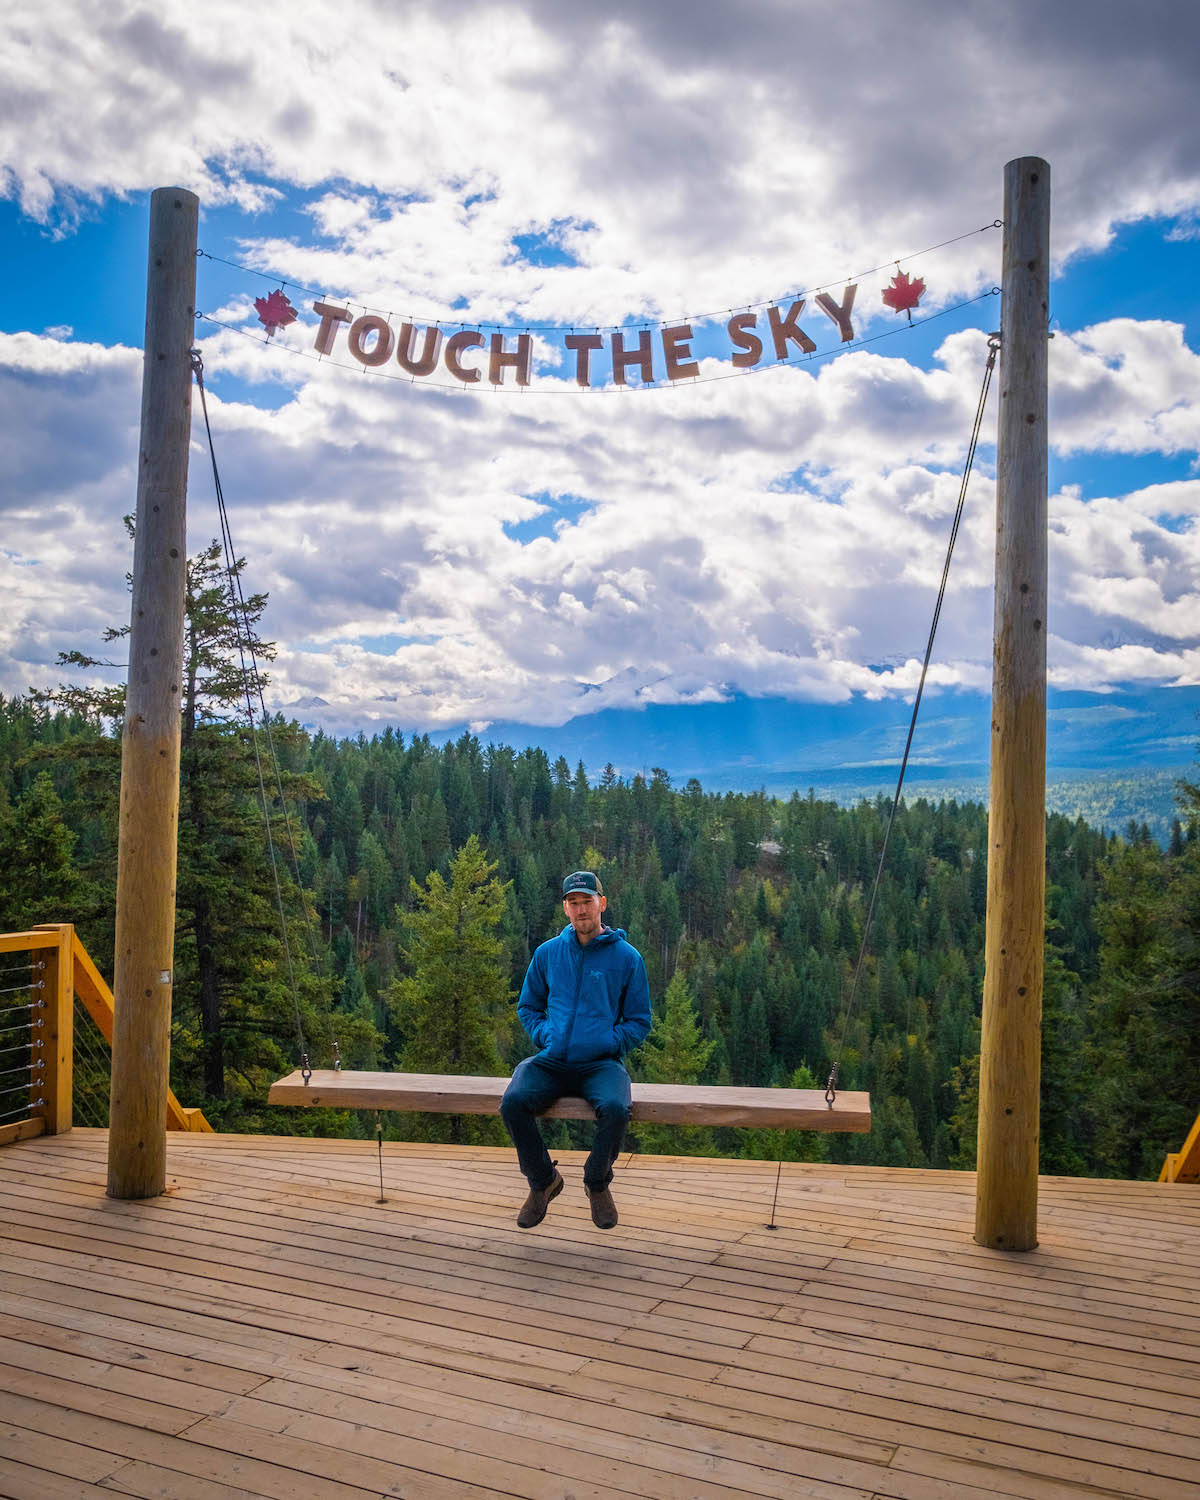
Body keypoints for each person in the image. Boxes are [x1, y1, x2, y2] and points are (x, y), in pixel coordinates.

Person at [500, 870, 651, 1230]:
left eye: (587, 901)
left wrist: (608, 1043)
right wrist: (544, 1035)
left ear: (602, 903)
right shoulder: (548, 953)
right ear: (565, 908)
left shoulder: (627, 958)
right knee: (512, 1102)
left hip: (600, 1064)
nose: (581, 909)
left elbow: (639, 1020)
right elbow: (528, 1007)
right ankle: (543, 1182)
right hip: (552, 1060)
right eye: (574, 903)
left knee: (616, 1108)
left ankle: (596, 1183)